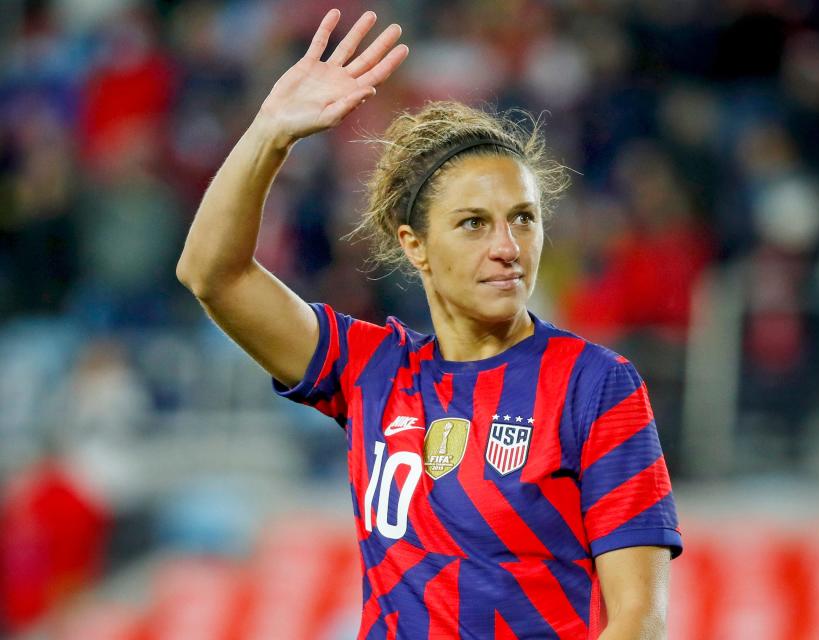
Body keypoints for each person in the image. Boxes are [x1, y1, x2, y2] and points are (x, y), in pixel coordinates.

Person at [177, 9, 682, 639]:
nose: (508, 246)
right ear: (415, 245)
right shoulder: (370, 370)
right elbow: (212, 274)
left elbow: (638, 622)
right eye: (474, 223)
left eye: (523, 218)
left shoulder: (596, 385)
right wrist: (270, 134)